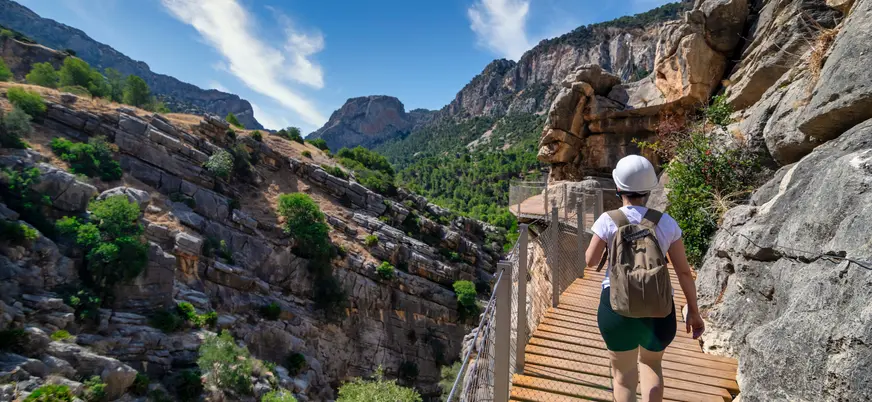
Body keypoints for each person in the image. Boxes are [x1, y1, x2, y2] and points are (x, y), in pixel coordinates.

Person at [584, 155, 705, 402]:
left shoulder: (608, 220)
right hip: (659, 307)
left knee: (623, 375)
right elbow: (683, 272)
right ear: (649, 188)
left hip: (617, 306)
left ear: (619, 187)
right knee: (652, 366)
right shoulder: (666, 222)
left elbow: (591, 261)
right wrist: (693, 311)